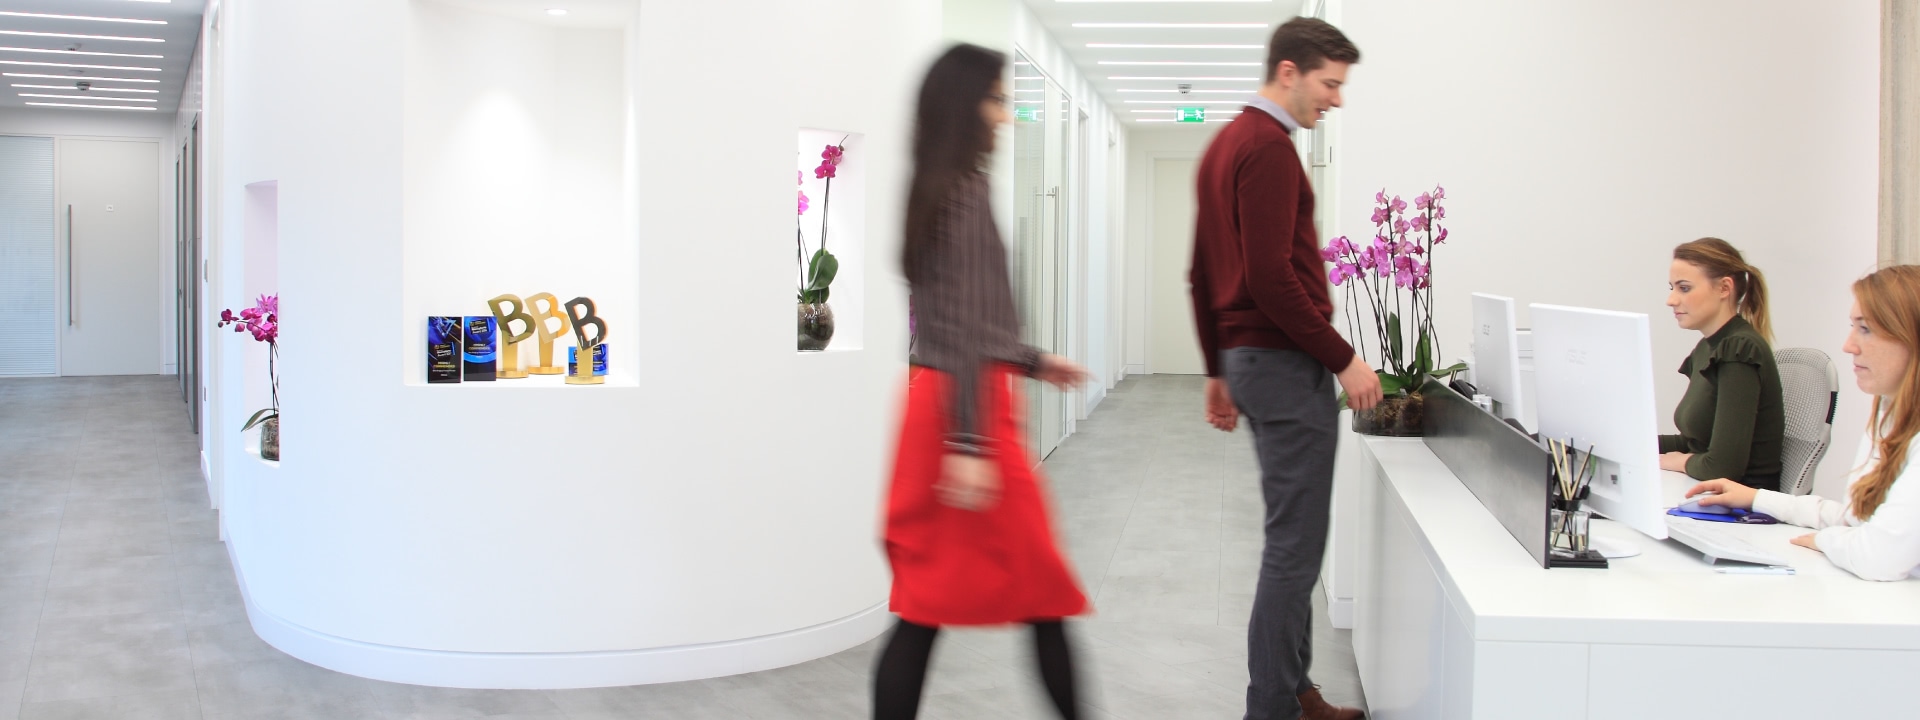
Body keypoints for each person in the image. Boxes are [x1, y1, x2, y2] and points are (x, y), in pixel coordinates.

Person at [874, 43, 1092, 720]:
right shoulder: (962, 195)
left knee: (930, 603)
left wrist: (1032, 360)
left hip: (947, 402)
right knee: (1032, 593)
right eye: (998, 100)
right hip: (964, 416)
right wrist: (968, 446)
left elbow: (962, 319)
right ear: (965, 107)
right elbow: (961, 332)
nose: (1006, 116)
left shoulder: (939, 189)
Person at [1189, 17, 1374, 720]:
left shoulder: (1224, 146)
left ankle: (1295, 692)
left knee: (1290, 539)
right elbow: (1268, 277)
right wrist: (1345, 359)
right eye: (1330, 84)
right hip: (1282, 361)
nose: (1337, 99)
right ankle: (1271, 707)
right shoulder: (1266, 147)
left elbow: (1203, 273)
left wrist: (1217, 367)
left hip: (1249, 360)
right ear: (1289, 72)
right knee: (1294, 549)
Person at [1686, 265, 1920, 581]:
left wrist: (1825, 541)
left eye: (1865, 329)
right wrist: (1756, 499)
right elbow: (1854, 521)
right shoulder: (1889, 414)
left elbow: (1878, 558)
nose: (1849, 345)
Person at [1658, 238, 1786, 490]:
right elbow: (1696, 443)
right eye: (1671, 287)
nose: (1671, 300)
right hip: (1707, 490)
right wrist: (1630, 442)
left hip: (1740, 506)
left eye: (1684, 288)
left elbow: (1723, 466)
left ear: (1724, 288)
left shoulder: (1739, 350)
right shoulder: (1709, 347)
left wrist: (1681, 462)